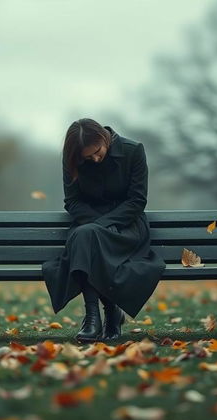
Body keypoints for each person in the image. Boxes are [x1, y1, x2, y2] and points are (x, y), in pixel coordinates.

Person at [42, 118, 166, 343]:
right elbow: (72, 201)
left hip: (127, 225)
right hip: (86, 223)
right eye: (88, 157)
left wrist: (103, 225)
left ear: (104, 137)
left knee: (85, 237)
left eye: (97, 152)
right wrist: (95, 225)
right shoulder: (72, 159)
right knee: (85, 237)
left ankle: (103, 316)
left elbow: (137, 200)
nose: (95, 159)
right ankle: (98, 315)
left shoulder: (134, 151)